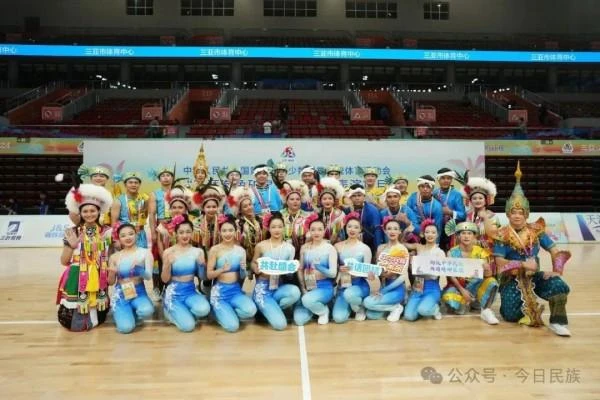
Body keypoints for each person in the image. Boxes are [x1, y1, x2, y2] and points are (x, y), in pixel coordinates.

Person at [494, 163, 572, 336]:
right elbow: (499, 263)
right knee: (511, 315)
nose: (517, 216)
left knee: (559, 286)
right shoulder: (502, 234)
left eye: (520, 212)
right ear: (508, 213)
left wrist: (557, 270)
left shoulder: (536, 230)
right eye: (513, 212)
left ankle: (557, 322)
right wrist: (522, 264)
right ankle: (510, 306)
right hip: (512, 278)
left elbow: (555, 250)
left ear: (526, 214)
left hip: (534, 275)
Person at [57, 183, 113, 331]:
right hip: (77, 275)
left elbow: (112, 256)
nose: (89, 214)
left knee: (99, 316)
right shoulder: (73, 232)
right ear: (80, 213)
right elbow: (64, 261)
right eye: (85, 211)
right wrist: (72, 246)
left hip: (99, 276)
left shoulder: (107, 232)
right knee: (73, 323)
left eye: (92, 210)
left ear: (99, 211)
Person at [441, 222, 500, 325]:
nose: (466, 236)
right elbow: (451, 276)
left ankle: (486, 310)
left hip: (476, 285)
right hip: (460, 287)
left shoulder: (481, 252)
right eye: (463, 233)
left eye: (469, 233)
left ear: (474, 236)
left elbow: (488, 275)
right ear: (458, 236)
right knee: (450, 300)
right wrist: (462, 290)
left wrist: (487, 270)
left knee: (492, 282)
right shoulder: (451, 253)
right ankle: (467, 303)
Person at [251, 212, 301, 331]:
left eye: (279, 227)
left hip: (279, 286)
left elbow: (289, 272)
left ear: (284, 228)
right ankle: (263, 307)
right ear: (269, 228)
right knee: (281, 325)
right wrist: (255, 268)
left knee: (295, 292)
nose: (277, 230)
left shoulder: (290, 248)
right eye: (273, 227)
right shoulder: (261, 246)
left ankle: (269, 309)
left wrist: (293, 269)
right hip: (263, 288)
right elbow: (253, 262)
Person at [207, 215, 257, 332]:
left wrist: (243, 270)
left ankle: (227, 312)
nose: (227, 233)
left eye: (230, 230)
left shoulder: (241, 251)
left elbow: (242, 277)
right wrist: (221, 270)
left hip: (235, 291)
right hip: (220, 292)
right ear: (220, 232)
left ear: (235, 232)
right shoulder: (215, 250)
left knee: (251, 310)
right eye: (224, 231)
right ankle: (216, 311)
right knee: (233, 327)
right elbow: (209, 275)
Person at [162, 216, 211, 332]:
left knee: (204, 310)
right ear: (176, 234)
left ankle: (183, 311)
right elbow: (164, 280)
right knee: (188, 327)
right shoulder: (168, 252)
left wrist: (202, 265)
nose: (185, 235)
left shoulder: (198, 251)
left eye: (188, 232)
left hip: (190, 291)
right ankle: (169, 311)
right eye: (181, 232)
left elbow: (203, 277)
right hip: (174, 293)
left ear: (192, 233)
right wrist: (167, 264)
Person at [108, 223, 155, 334]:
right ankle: (123, 312)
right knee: (126, 329)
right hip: (121, 294)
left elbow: (148, 277)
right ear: (119, 238)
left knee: (147, 310)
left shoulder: (145, 253)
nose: (127, 238)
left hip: (139, 292)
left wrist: (139, 269)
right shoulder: (114, 257)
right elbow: (111, 282)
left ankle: (134, 312)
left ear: (136, 235)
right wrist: (112, 273)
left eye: (131, 234)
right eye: (123, 235)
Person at [294, 215, 338, 326]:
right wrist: (303, 287)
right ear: (309, 231)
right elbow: (300, 269)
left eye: (319, 229)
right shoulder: (304, 247)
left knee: (307, 300)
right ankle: (314, 307)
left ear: (324, 231)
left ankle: (323, 311)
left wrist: (319, 267)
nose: (316, 232)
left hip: (324, 287)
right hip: (308, 287)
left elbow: (333, 274)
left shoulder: (330, 248)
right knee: (299, 320)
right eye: (313, 229)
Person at [332, 212, 373, 323]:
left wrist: (368, 274)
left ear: (360, 230)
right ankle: (351, 306)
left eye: (356, 227)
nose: (352, 229)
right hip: (344, 285)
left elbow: (367, 271)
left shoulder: (365, 248)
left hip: (359, 285)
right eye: (349, 226)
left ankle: (359, 307)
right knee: (338, 318)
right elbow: (333, 268)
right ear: (345, 228)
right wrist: (339, 269)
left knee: (349, 294)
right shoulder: (337, 246)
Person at [363, 218, 407, 321]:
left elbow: (403, 276)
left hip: (396, 289)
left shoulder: (402, 249)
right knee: (371, 314)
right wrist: (373, 274)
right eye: (389, 228)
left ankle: (397, 307)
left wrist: (384, 291)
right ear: (385, 231)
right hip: (383, 286)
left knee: (367, 302)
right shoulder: (380, 248)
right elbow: (379, 270)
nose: (392, 231)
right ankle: (392, 307)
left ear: (400, 231)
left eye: (395, 229)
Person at [403, 219, 444, 321]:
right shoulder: (418, 247)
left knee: (423, 310)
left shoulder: (440, 252)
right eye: (427, 232)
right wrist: (406, 231)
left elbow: (442, 272)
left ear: (437, 235)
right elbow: (402, 244)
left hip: (432, 286)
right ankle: (423, 306)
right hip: (418, 284)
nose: (430, 234)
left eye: (433, 232)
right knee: (409, 316)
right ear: (423, 234)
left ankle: (435, 308)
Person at [148, 166, 175, 297]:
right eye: (163, 175)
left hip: (175, 227)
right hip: (161, 227)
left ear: (172, 178)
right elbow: (152, 214)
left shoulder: (178, 192)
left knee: (174, 257)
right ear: (159, 179)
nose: (166, 178)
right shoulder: (155, 194)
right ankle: (157, 288)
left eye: (168, 175)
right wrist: (153, 232)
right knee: (158, 258)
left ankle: (172, 286)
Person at [344, 184, 383, 259]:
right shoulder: (347, 210)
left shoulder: (372, 210)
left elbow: (377, 231)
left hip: (370, 244)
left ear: (364, 196)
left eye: (359, 195)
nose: (357, 198)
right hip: (351, 244)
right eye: (354, 196)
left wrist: (377, 250)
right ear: (350, 197)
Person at [111, 172, 149, 250]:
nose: (133, 185)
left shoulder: (144, 199)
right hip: (125, 236)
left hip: (140, 235)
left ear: (139, 185)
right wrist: (116, 239)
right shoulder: (118, 201)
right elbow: (114, 222)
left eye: (136, 183)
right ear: (125, 184)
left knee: (142, 257)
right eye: (130, 182)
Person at [433, 167, 466, 250]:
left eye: (448, 178)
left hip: (451, 230)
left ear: (451, 180)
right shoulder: (434, 193)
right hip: (435, 228)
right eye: (443, 178)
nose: (446, 181)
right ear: (438, 179)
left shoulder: (457, 194)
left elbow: (463, 215)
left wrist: (450, 212)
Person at [316, 177, 346, 245]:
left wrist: (328, 245)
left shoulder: (340, 214)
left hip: (336, 242)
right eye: (324, 199)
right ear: (320, 201)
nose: (327, 201)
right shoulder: (316, 214)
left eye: (330, 198)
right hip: (319, 241)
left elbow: (336, 233)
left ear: (334, 200)